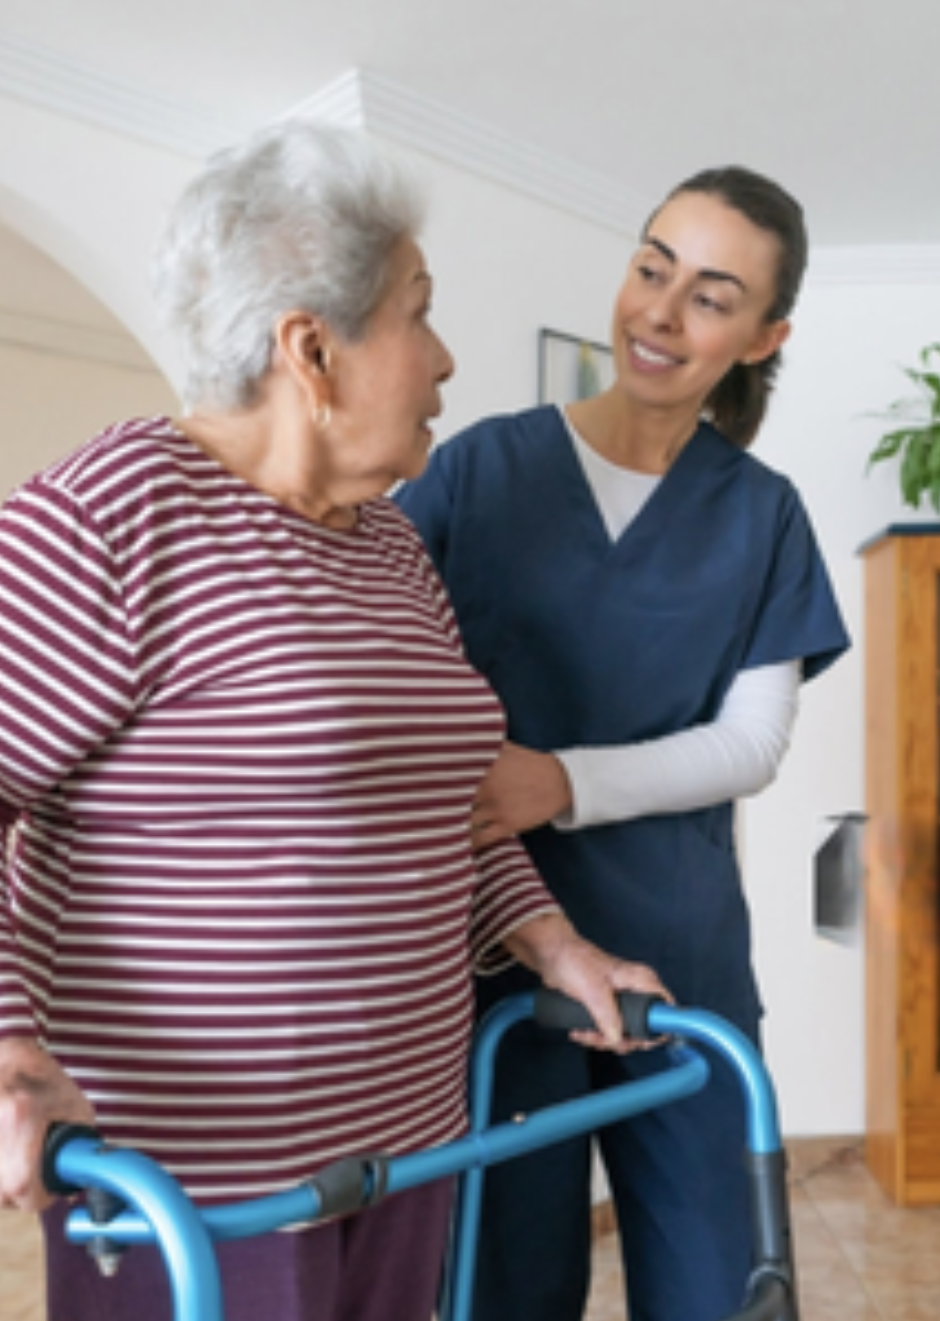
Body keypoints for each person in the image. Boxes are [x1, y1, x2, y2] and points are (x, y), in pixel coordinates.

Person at [0, 121, 666, 1321]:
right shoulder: (113, 509)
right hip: (203, 1179)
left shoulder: (391, 549)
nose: (443, 360)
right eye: (417, 310)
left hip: (408, 1139)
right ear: (311, 348)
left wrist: (555, 945)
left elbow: (448, 804)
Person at [395, 165, 850, 1321]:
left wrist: (557, 781)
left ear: (761, 336)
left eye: (709, 294)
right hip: (490, 957)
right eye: (651, 266)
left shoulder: (760, 513)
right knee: (501, 1285)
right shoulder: (475, 471)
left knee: (720, 1280)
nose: (657, 311)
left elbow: (752, 742)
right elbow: (380, 668)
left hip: (678, 955)